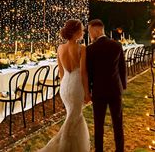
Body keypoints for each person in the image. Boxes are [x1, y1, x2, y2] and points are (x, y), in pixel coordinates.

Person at [39, 19, 91, 152]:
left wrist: (64, 87)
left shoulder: (60, 48)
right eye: (82, 29)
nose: (84, 31)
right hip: (76, 86)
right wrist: (87, 92)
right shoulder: (82, 48)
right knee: (73, 118)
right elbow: (83, 73)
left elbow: (61, 72)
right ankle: (62, 147)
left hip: (65, 86)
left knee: (73, 116)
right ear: (76, 32)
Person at [86, 19, 127, 152]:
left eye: (90, 31)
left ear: (97, 30)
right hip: (115, 89)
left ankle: (99, 150)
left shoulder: (90, 49)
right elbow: (122, 68)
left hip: (99, 91)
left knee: (99, 124)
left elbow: (89, 72)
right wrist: (123, 86)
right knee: (118, 122)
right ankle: (119, 149)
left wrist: (89, 90)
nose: (89, 34)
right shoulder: (117, 45)